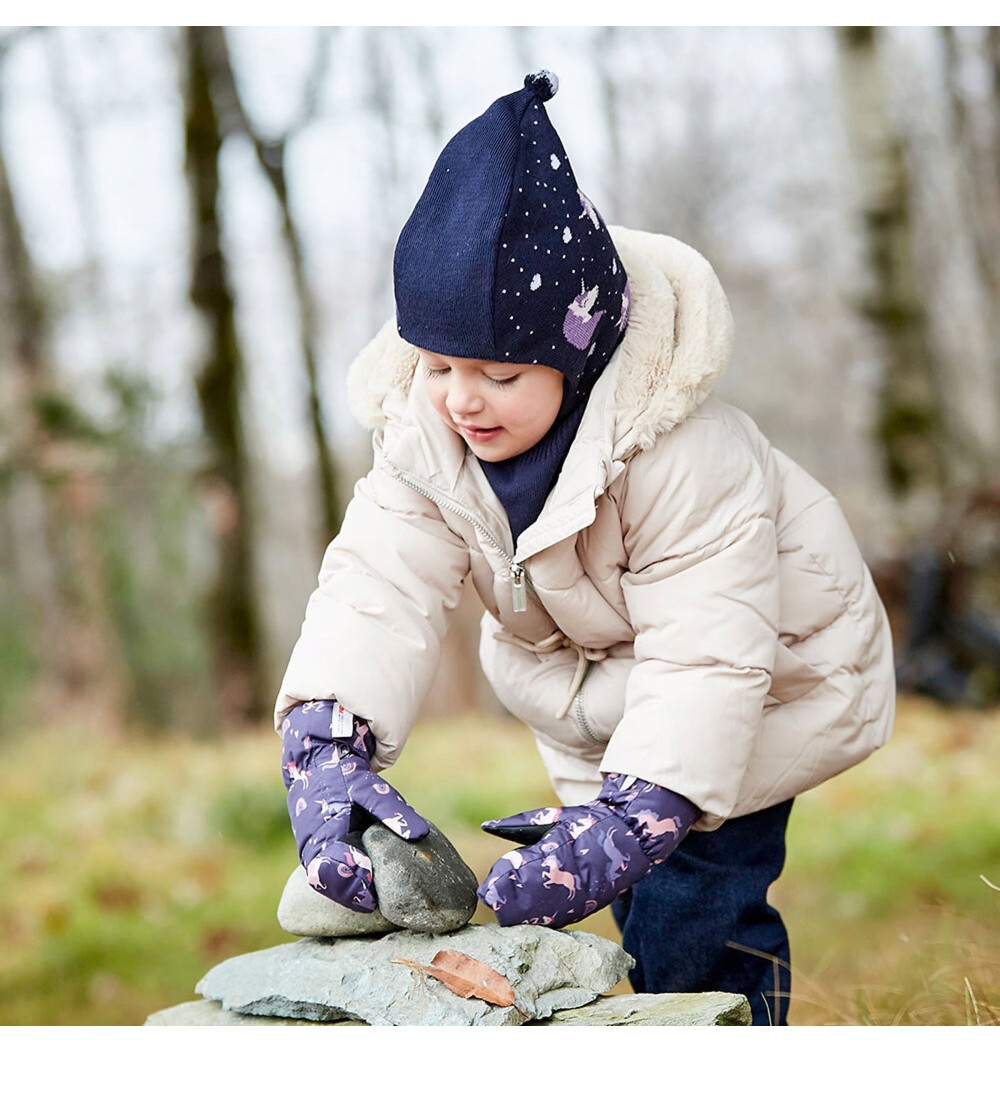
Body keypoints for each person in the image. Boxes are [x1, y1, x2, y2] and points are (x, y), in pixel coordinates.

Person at [276, 71, 896, 1026]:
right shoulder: (426, 446)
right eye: (438, 366)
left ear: (581, 353)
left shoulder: (686, 456)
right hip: (601, 698)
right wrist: (326, 752)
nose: (460, 400)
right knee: (642, 911)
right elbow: (376, 589)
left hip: (765, 675)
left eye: (498, 373)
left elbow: (707, 656)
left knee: (696, 907)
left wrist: (630, 818)